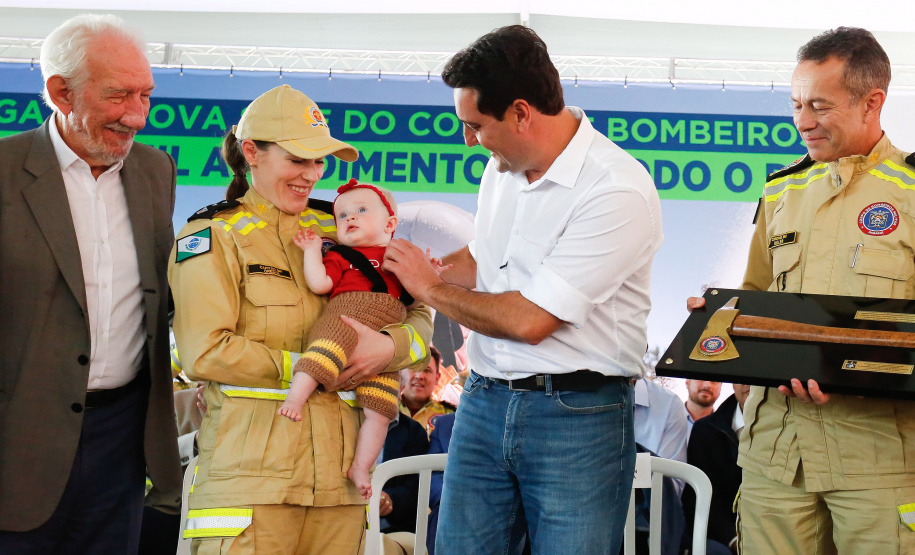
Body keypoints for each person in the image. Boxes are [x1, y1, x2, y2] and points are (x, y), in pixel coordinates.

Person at [384, 25, 663, 554]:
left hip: (577, 420)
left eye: (475, 125)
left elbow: (531, 320)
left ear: (520, 112)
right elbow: (487, 257)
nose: (468, 140)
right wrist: (432, 269)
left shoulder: (617, 190)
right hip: (483, 401)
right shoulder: (502, 167)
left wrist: (426, 287)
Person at [168, 84, 432, 554]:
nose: (312, 174)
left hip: (341, 488)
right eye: (298, 159)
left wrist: (389, 349)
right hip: (248, 488)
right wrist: (316, 368)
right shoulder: (211, 236)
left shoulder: (345, 226)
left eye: (319, 162)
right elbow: (204, 351)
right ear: (252, 152)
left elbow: (419, 305)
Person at [689, 27, 915, 554]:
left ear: (872, 102)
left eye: (818, 105)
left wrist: (858, 377)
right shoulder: (782, 189)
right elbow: (751, 295)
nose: (802, 121)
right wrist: (714, 324)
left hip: (877, 461)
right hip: (774, 457)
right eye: (795, 103)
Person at [0, 14, 182, 553]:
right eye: (120, 95)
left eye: (146, 95)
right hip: (18, 442)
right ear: (61, 92)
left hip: (122, 444)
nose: (138, 116)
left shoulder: (155, 171)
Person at [278, 179, 424, 498]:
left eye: (360, 210)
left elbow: (415, 299)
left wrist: (431, 272)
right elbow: (319, 284)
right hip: (345, 318)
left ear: (390, 224)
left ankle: (361, 466)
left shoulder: (401, 257)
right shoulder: (341, 256)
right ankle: (295, 397)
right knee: (321, 354)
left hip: (383, 336)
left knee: (381, 410)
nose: (350, 218)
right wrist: (313, 252)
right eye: (342, 216)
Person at [682, 384, 750, 555]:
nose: (749, 382)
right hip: (724, 536)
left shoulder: (790, 427)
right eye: (742, 375)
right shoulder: (706, 430)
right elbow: (700, 496)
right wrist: (734, 539)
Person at [400, 345, 456, 435]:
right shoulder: (382, 411)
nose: (419, 376)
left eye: (427, 370)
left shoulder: (450, 415)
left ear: (437, 378)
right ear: (401, 373)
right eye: (414, 368)